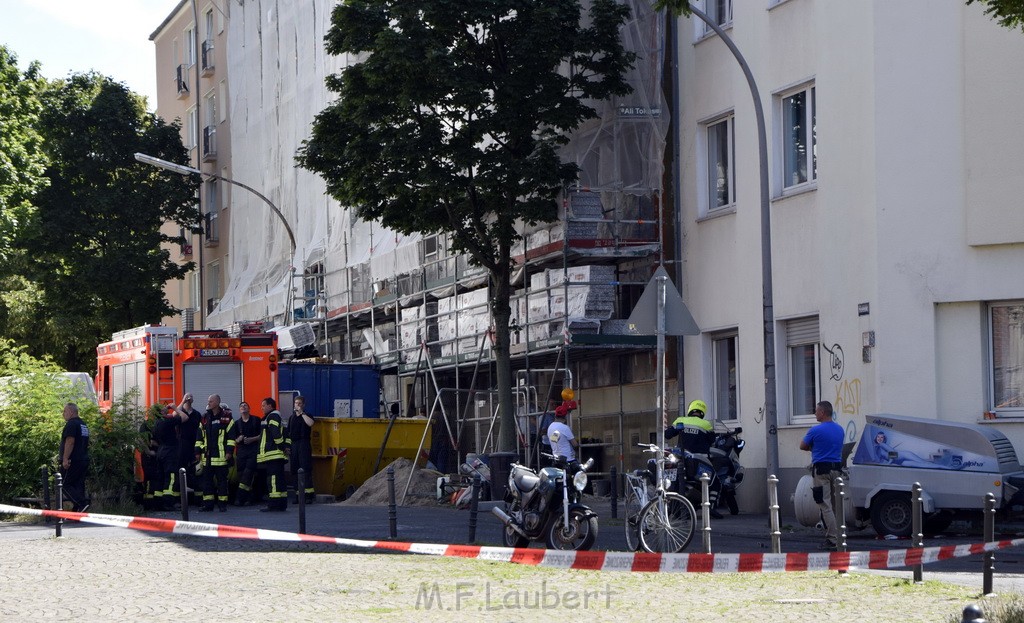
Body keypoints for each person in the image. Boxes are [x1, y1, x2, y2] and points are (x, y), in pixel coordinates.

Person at [665, 399, 722, 519]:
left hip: (681, 460)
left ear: (690, 409)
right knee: (715, 482)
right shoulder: (706, 424)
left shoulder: (680, 420)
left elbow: (667, 434)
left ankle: (671, 506)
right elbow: (712, 440)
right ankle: (711, 507)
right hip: (699, 462)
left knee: (672, 481)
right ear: (702, 412)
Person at [800, 400, 845, 550]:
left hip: (821, 471)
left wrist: (814, 448)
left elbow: (802, 446)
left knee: (824, 505)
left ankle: (833, 538)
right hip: (837, 470)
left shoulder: (815, 430)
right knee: (835, 505)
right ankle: (840, 534)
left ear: (823, 412)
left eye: (816, 411)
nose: (815, 413)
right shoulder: (840, 430)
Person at [194, 394, 236, 511]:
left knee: (222, 482)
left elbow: (231, 437)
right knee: (207, 482)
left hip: (221, 457)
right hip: (207, 457)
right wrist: (197, 452)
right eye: (208, 401)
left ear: (217, 402)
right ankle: (208, 504)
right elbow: (199, 437)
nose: (209, 403)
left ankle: (222, 504)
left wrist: (229, 452)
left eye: (211, 401)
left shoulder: (226, 417)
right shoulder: (204, 418)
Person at [151, 403, 189, 511]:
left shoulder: (156, 423)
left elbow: (153, 441)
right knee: (171, 477)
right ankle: (168, 503)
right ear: (161, 412)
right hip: (170, 453)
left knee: (161, 477)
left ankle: (158, 503)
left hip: (161, 452)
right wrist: (175, 408)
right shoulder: (167, 422)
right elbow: (185, 417)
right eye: (163, 408)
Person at [257, 397, 289, 512]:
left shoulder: (272, 416)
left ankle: (274, 505)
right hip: (277, 454)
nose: (262, 408)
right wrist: (286, 447)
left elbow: (275, 433)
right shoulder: (278, 417)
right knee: (280, 479)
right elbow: (286, 434)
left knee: (273, 479)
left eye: (263, 405)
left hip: (273, 454)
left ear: (270, 406)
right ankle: (282, 504)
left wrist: (281, 446)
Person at [59, 402, 90, 512]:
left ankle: (81, 504)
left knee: (64, 484)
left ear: (71, 412)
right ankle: (77, 511)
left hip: (73, 460)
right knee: (78, 484)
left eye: (65, 411)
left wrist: (65, 458)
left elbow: (70, 441)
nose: (63, 414)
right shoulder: (83, 424)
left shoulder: (71, 424)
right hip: (83, 458)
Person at [233, 401, 262, 506]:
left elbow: (262, 435)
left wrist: (251, 439)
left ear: (249, 409)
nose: (243, 407)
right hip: (241, 452)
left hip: (253, 450)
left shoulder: (256, 420)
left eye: (245, 405)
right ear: (239, 410)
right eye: (241, 406)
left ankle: (240, 498)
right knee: (241, 474)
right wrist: (238, 439)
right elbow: (233, 440)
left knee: (248, 473)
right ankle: (249, 498)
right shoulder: (237, 423)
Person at [288, 396, 315, 504]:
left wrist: (302, 413)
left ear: (303, 405)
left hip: (304, 444)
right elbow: (288, 433)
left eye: (299, 403)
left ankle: (308, 495)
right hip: (294, 444)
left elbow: (311, 423)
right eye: (296, 403)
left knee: (305, 468)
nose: (297, 405)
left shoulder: (307, 415)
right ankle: (298, 495)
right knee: (295, 469)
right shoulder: (292, 417)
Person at [175, 393, 202, 486]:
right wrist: (183, 401)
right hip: (182, 443)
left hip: (194, 443)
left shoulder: (197, 414)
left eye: (191, 396)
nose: (189, 398)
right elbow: (174, 414)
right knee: (181, 466)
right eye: (187, 396)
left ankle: (194, 490)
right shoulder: (180, 411)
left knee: (195, 467)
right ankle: (180, 489)